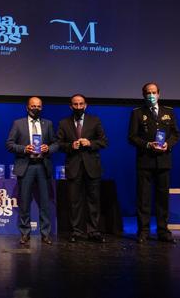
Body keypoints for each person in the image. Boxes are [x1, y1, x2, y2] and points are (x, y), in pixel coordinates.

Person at [128, 82, 180, 244]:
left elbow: (176, 134)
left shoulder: (169, 112)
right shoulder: (137, 113)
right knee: (143, 198)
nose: (151, 95)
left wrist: (168, 144)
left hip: (164, 161)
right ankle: (143, 231)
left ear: (159, 94)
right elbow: (132, 137)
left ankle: (163, 231)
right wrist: (147, 144)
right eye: (147, 93)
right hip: (145, 161)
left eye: (153, 92)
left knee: (162, 198)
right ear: (144, 95)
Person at [6, 96, 58, 245]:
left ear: (41, 108)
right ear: (27, 107)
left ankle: (45, 234)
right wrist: (24, 149)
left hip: (42, 165)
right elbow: (9, 144)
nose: (36, 108)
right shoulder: (18, 123)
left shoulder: (47, 124)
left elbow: (55, 143)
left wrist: (48, 148)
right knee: (24, 202)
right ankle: (25, 233)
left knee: (45, 203)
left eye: (39, 106)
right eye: (33, 106)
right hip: (26, 166)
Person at [57, 94, 108, 243]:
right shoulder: (64, 123)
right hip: (73, 167)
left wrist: (90, 143)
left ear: (86, 105)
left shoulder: (95, 120)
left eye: (81, 104)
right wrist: (70, 146)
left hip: (92, 166)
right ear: (70, 106)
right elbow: (58, 144)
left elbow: (104, 142)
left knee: (93, 200)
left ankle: (93, 231)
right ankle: (77, 232)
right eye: (75, 104)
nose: (78, 107)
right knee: (74, 202)